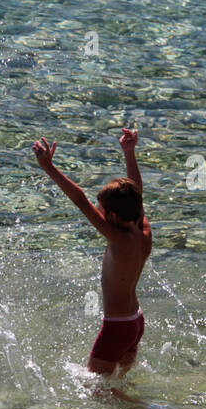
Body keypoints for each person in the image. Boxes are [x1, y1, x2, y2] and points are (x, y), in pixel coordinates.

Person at [33, 127, 151, 376]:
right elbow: (136, 192)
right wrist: (129, 153)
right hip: (135, 321)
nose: (98, 211)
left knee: (96, 391)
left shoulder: (117, 238)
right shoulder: (143, 232)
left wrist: (48, 167)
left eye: (102, 209)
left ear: (113, 216)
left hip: (117, 327)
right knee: (120, 381)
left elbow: (79, 200)